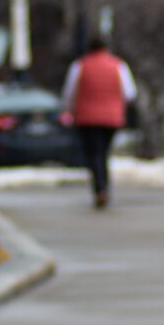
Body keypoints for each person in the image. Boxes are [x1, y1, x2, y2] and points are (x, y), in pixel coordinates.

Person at [62, 34, 136, 209]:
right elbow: (129, 93)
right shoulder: (119, 65)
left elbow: (69, 92)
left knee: (93, 154)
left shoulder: (80, 65)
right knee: (103, 152)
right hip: (111, 118)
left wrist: (69, 108)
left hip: (86, 117)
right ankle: (104, 188)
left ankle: (100, 189)